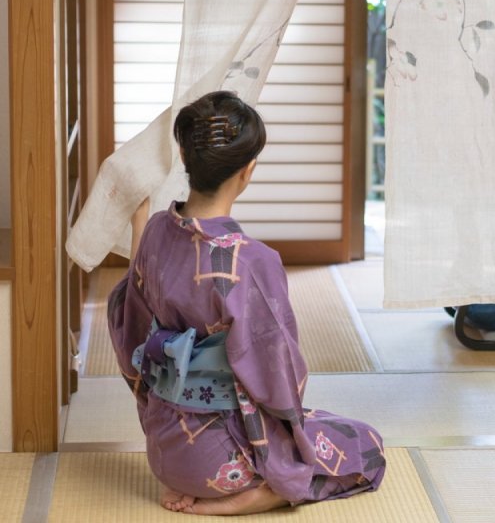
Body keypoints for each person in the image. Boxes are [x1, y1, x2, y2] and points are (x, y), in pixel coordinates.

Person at [107, 91, 386, 515]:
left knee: (321, 424)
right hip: (225, 459)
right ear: (247, 171)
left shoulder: (157, 234)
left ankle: (205, 482)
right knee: (363, 442)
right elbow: (278, 380)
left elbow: (129, 327)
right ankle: (261, 493)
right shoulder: (251, 262)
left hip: (166, 449)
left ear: (184, 156)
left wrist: (139, 226)